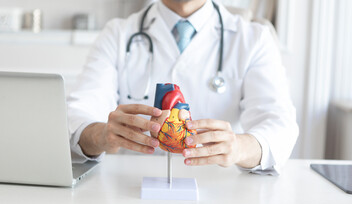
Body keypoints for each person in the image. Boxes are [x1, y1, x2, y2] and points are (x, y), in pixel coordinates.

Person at [67, 0, 299, 175]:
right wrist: (100, 135)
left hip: (220, 197)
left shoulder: (254, 39)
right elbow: (76, 115)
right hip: (131, 189)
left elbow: (280, 126)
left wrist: (239, 148)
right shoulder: (118, 34)